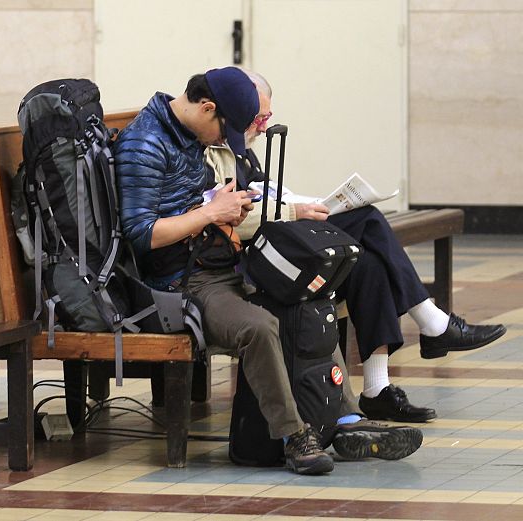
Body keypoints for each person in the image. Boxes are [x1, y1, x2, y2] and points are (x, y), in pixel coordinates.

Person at [114, 66, 422, 475]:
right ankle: (294, 436)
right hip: (182, 283)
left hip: (222, 258)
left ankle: (344, 418)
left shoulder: (188, 134)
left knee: (308, 293)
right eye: (226, 130)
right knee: (258, 327)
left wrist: (226, 207)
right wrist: (210, 213)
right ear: (207, 108)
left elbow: (193, 205)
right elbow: (141, 235)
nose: (226, 141)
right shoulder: (145, 144)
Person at [205, 71, 507, 423]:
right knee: (367, 218)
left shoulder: (241, 150)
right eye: (258, 118)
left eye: (266, 117)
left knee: (367, 263)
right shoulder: (212, 152)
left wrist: (312, 203)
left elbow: (272, 194)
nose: (261, 126)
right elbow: (230, 215)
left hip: (279, 240)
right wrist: (296, 211)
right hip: (262, 256)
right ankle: (432, 323)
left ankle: (377, 389)